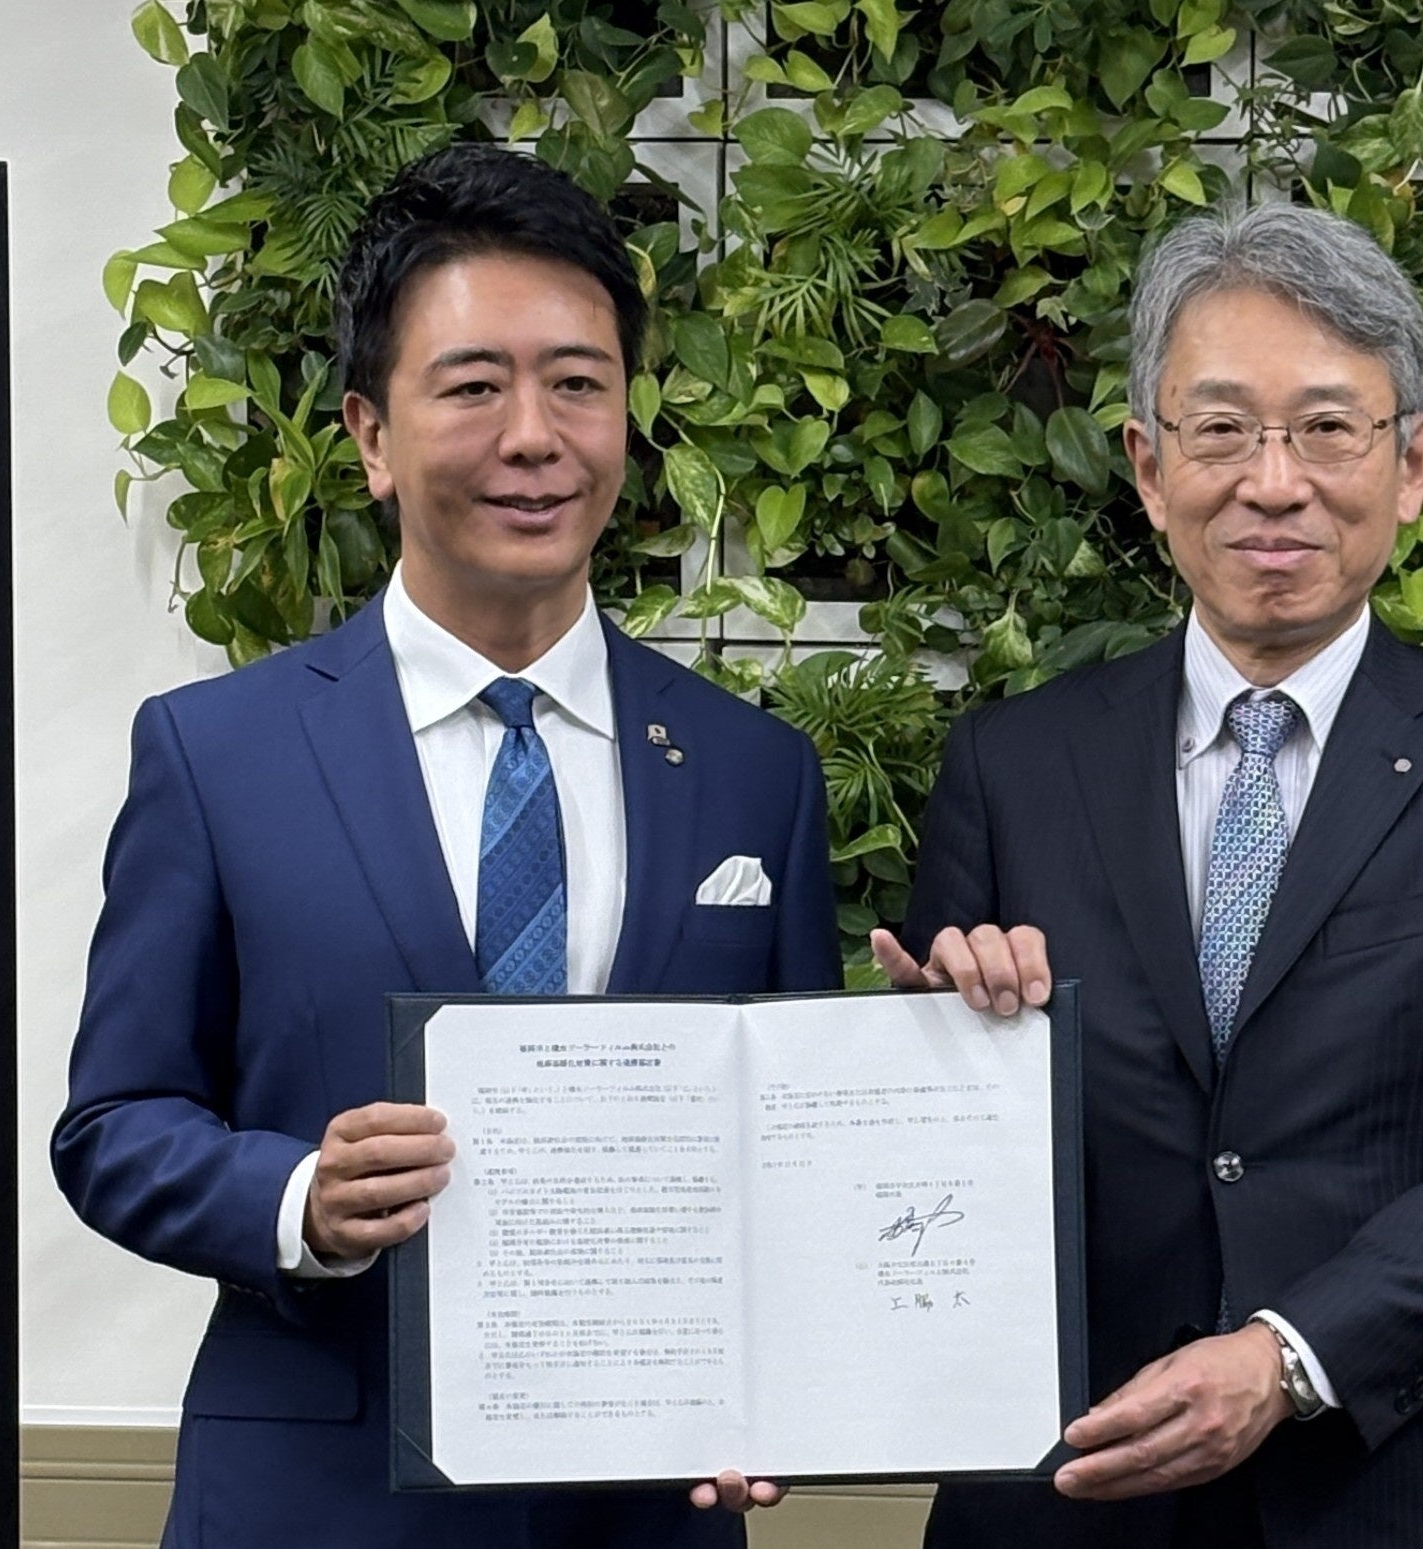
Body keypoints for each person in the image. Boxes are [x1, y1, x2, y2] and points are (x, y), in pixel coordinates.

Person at [51, 143, 838, 1549]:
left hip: (645, 1511)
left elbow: (793, 1153)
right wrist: (301, 1198)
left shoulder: (751, 775)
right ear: (370, 435)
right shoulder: (217, 754)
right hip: (317, 1507)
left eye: (578, 383)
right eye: (474, 386)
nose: (533, 436)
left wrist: (789, 1383)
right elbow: (114, 1126)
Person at [872, 201, 1423, 1548]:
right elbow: (939, 1169)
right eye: (1221, 429)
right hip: (1073, 1473)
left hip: (1411, 1482)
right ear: (1147, 464)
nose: (1272, 482)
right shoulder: (1013, 761)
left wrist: (1289, 1354)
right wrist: (936, 1050)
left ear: (1410, 462)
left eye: (1327, 428)